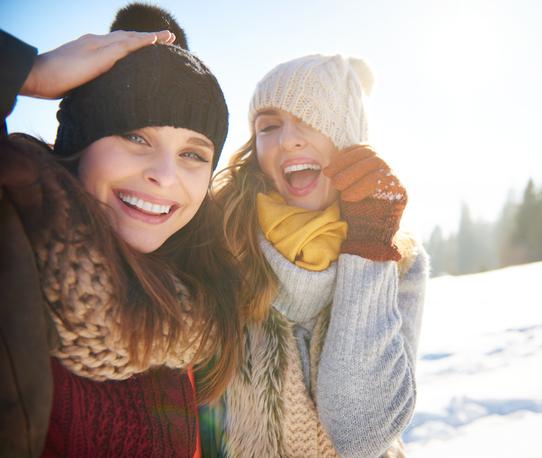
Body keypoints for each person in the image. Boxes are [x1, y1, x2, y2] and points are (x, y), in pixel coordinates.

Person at [0, 4, 243, 457]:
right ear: (78, 144)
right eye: (135, 136)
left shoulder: (191, 309)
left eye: (193, 154)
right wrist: (28, 72)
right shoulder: (13, 253)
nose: (165, 176)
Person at [205, 54, 428, 457]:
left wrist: (369, 247)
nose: (287, 139)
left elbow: (363, 436)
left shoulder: (399, 261)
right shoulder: (216, 246)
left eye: (309, 119)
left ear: (347, 141)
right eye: (269, 126)